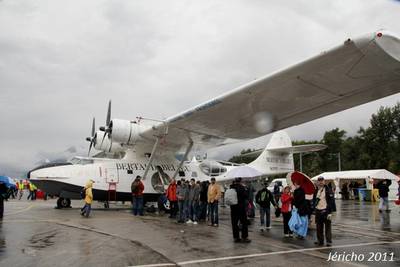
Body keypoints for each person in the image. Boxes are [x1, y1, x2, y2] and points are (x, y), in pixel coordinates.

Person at [313, 176, 335, 247]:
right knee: (319, 227)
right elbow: (314, 200)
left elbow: (332, 201)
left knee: (328, 227)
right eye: (319, 181)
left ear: (324, 181)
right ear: (317, 182)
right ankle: (320, 240)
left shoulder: (328, 189)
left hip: (326, 210)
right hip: (318, 210)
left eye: (322, 180)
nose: (320, 182)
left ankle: (328, 241)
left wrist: (330, 212)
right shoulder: (316, 190)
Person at [230, 178, 251, 243]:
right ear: (240, 181)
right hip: (241, 208)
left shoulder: (231, 188)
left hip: (233, 208)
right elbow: (246, 196)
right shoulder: (242, 187)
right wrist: (246, 189)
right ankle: (244, 237)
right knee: (244, 223)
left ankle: (236, 237)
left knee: (234, 223)